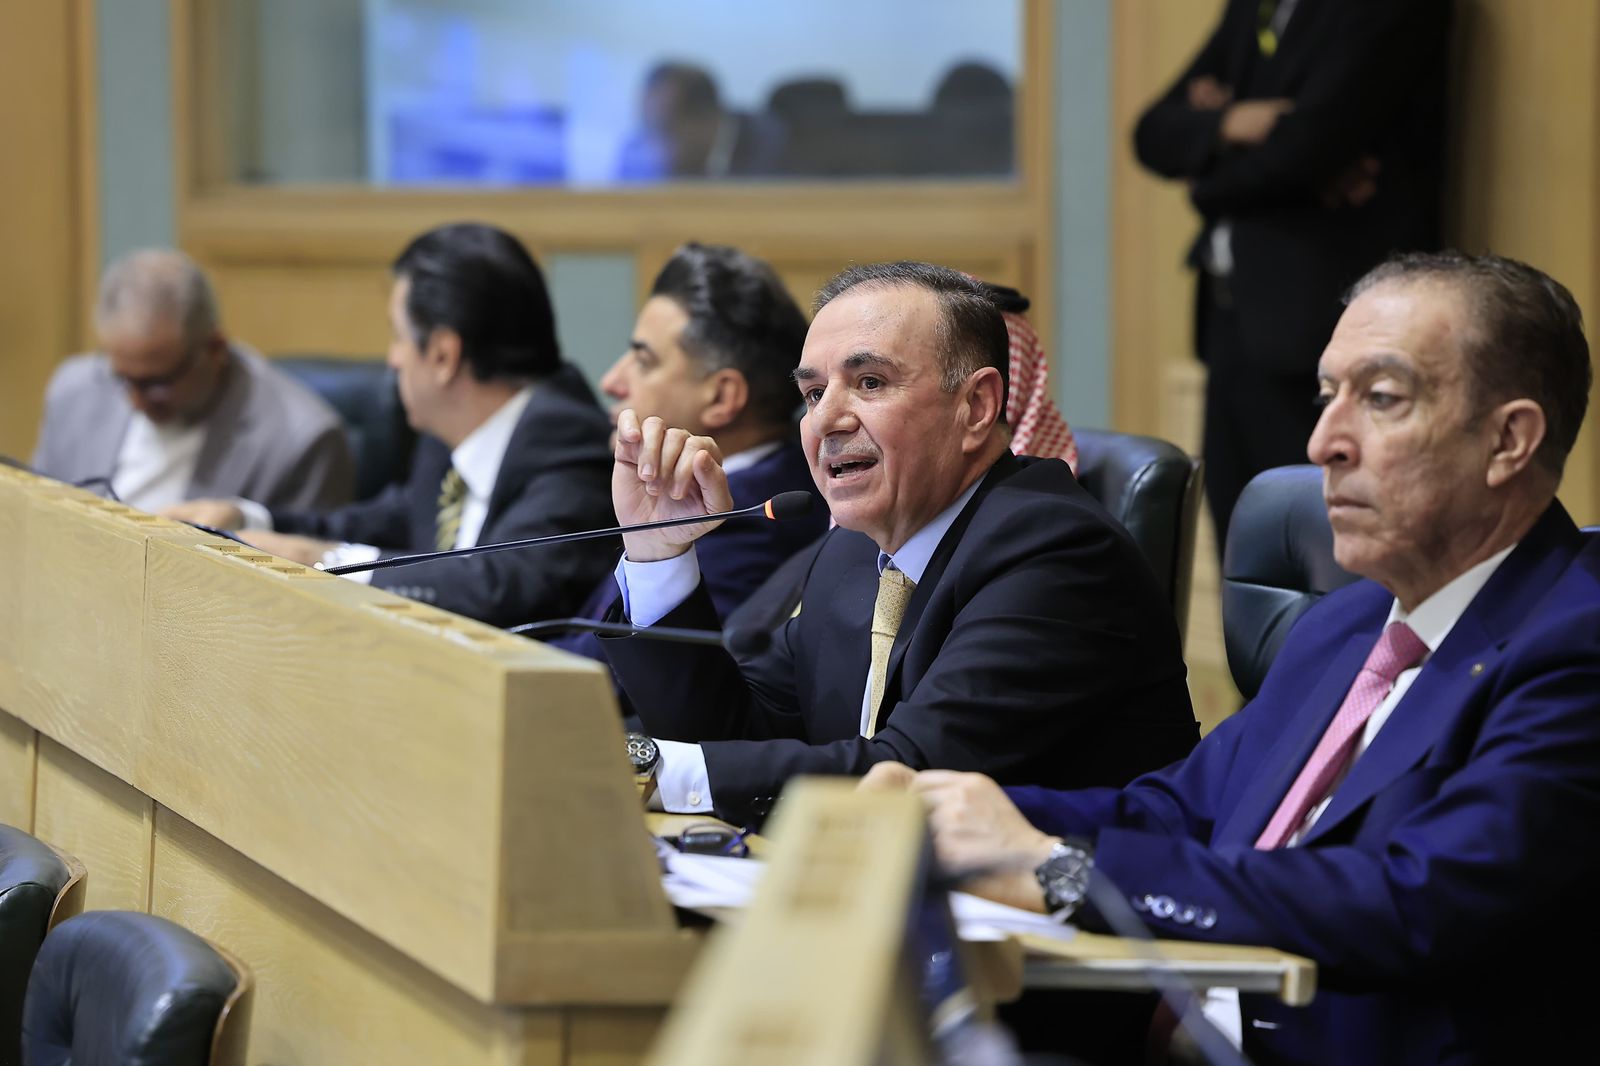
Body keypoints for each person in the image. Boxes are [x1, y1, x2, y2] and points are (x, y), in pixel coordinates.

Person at [864, 251, 1600, 1064]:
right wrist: (957, 814)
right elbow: (1181, 812)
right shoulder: (1348, 623)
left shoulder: (1575, 644)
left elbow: (1417, 900)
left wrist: (1061, 871)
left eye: (1382, 399)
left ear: (1508, 440)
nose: (1324, 442)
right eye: (1327, 397)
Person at [601, 261, 1197, 827]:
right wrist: (660, 550)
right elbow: (735, 735)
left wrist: (636, 769)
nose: (826, 420)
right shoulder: (852, 552)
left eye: (870, 383)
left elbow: (905, 777)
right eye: (814, 393)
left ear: (977, 407)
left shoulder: (1058, 554)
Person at [164, 223, 616, 629]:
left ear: (443, 356)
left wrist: (324, 559)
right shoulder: (450, 433)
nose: (392, 358)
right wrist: (248, 518)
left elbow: (501, 582)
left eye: (398, 336)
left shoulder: (568, 442)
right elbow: (385, 522)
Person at [1134, 0, 1450, 550]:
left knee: (1325, 545)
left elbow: (1309, 146)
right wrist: (1233, 122)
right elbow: (1153, 132)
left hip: (1325, 320)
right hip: (1231, 313)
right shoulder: (1255, 6)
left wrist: (1206, 167)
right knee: (1242, 539)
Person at [548, 242, 828, 664]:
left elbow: (603, 678)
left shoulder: (750, 522)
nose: (611, 381)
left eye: (644, 361)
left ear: (721, 397)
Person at [31, 249, 353, 512]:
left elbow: (303, 564)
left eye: (156, 384)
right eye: (123, 379)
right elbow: (38, 516)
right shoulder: (74, 390)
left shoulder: (302, 442)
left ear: (215, 349)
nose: (136, 401)